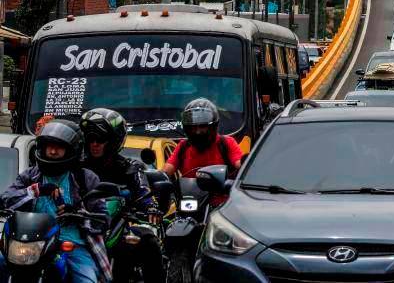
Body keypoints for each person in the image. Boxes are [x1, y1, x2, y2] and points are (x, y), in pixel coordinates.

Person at [0, 120, 111, 283]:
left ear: (72, 150)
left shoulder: (85, 179)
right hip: (31, 245)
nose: (52, 151)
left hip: (72, 245)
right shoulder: (30, 176)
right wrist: (35, 191)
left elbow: (103, 218)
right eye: (48, 146)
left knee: (87, 280)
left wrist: (78, 213)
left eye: (59, 147)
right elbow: (6, 199)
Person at [80, 108, 164, 283]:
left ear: (113, 140)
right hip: (79, 228)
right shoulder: (76, 168)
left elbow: (144, 193)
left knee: (148, 242)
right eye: (90, 138)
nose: (94, 144)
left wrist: (151, 208)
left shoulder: (130, 168)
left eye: (100, 139)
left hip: (117, 230)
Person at [162, 98, 243, 204]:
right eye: (193, 127)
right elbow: (165, 172)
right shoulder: (183, 146)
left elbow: (241, 165)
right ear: (187, 129)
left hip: (222, 206)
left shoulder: (226, 143)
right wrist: (156, 179)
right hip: (189, 204)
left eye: (202, 126)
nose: (198, 132)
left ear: (213, 126)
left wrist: (246, 164)